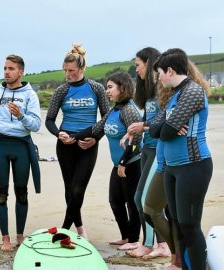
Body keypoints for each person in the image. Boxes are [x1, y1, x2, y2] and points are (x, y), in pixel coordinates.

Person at [150, 48, 212, 270]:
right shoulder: (175, 95)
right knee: (177, 223)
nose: (158, 78)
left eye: (159, 73)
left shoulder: (193, 92)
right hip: (172, 168)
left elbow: (165, 132)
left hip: (193, 166)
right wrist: (169, 123)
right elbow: (155, 129)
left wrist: (167, 126)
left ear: (170, 70)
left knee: (190, 225)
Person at [0, 54, 41, 251]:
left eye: (11, 68)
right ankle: (5, 239)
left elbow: (36, 125)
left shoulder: (30, 95)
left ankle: (20, 236)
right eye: (5, 68)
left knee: (22, 193)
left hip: (21, 146)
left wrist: (20, 115)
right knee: (1, 195)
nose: (6, 72)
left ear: (21, 72)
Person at [45, 44, 110, 238]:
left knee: (78, 188)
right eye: (65, 70)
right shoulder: (62, 90)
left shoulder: (96, 88)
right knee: (69, 188)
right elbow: (49, 120)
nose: (67, 74)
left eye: (71, 71)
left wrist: (95, 138)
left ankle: (65, 228)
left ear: (81, 69)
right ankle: (79, 228)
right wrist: (59, 134)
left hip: (88, 144)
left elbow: (107, 117)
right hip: (66, 144)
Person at [74, 71, 142, 249]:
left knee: (132, 203)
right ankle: (126, 236)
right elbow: (97, 128)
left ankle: (134, 240)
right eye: (107, 87)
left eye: (110, 87)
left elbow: (136, 141)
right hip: (118, 165)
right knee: (115, 201)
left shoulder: (129, 110)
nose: (107, 91)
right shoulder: (115, 109)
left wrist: (123, 163)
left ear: (123, 88)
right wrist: (70, 137)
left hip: (131, 163)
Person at [122, 47, 171, 256]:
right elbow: (148, 119)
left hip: (160, 149)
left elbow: (165, 119)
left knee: (142, 199)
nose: (136, 71)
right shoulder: (149, 92)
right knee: (144, 199)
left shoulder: (163, 89)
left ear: (148, 64)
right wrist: (133, 132)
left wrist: (143, 126)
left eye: (138, 65)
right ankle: (162, 245)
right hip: (147, 149)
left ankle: (151, 244)